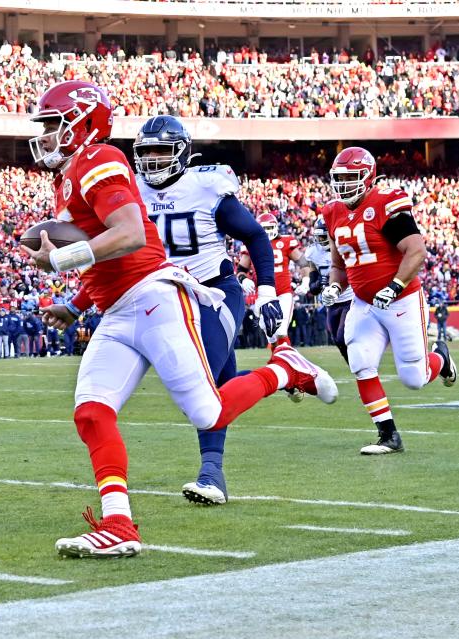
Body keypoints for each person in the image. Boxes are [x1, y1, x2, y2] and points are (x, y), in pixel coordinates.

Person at [21, 80, 337, 559]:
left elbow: (127, 235)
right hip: (116, 309)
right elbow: (106, 251)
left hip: (154, 299)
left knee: (207, 411)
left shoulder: (100, 159)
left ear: (82, 123)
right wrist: (76, 301)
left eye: (52, 125)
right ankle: (119, 525)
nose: (44, 135)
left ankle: (286, 369)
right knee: (91, 411)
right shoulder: (69, 174)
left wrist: (62, 260)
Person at [132, 114, 285, 506]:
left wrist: (266, 291)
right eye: (145, 152)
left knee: (202, 386)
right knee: (220, 383)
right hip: (169, 298)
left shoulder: (205, 186)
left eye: (161, 151)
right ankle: (283, 374)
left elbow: (254, 235)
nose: (151, 161)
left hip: (216, 293)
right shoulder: (132, 190)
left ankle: (210, 473)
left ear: (182, 153)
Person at [320, 146, 457, 455]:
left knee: (414, 379)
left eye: (350, 178)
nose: (343, 185)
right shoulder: (332, 212)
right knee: (360, 361)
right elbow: (339, 265)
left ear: (367, 178)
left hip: (401, 301)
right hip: (365, 304)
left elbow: (416, 250)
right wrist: (332, 287)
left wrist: (395, 286)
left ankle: (442, 359)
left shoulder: (384, 203)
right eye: (338, 179)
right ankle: (388, 435)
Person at [239, 213, 313, 347]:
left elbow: (302, 262)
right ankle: (277, 362)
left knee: (281, 330)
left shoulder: (284, 242)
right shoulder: (251, 244)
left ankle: (286, 362)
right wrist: (244, 280)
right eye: (264, 229)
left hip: (283, 293)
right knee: (271, 335)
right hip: (264, 296)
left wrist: (306, 280)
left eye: (270, 228)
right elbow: (240, 270)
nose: (267, 232)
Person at [306, 217, 353, 361]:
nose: (320, 239)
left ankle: (359, 362)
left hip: (349, 298)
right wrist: (320, 282)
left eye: (323, 236)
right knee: (336, 339)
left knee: (342, 337)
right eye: (318, 236)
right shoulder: (314, 253)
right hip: (331, 303)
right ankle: (353, 366)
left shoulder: (343, 247)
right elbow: (312, 287)